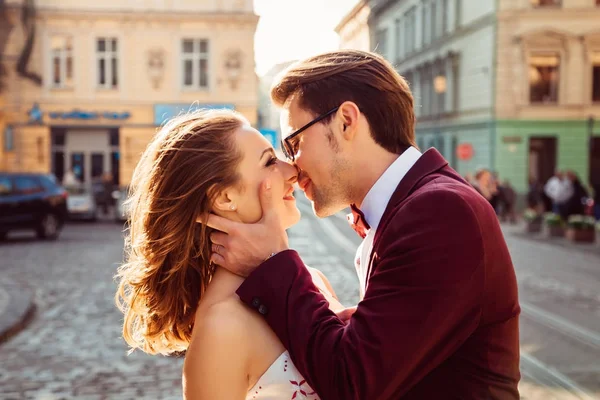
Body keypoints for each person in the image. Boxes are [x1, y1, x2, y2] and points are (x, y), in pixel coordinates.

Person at [202, 50, 521, 399]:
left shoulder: (440, 211)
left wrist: (274, 259)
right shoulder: (410, 209)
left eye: (294, 143)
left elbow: (352, 383)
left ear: (346, 121)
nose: (292, 167)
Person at [115, 110, 344, 399]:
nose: (292, 171)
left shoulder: (313, 280)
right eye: (269, 161)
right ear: (224, 197)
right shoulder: (220, 327)